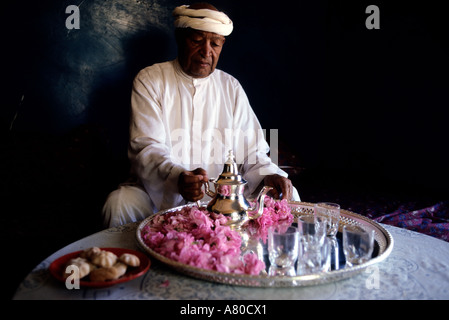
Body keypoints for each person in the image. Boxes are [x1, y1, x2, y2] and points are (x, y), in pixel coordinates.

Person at [102, 2, 300, 228]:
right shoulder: (150, 80)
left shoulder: (230, 87)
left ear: (222, 45)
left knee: (288, 193)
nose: (207, 51)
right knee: (119, 204)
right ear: (180, 38)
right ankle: (132, 263)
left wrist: (269, 175)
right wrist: (178, 178)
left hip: (221, 201)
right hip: (157, 196)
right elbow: (147, 148)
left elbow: (252, 151)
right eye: (197, 41)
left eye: (215, 43)